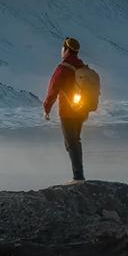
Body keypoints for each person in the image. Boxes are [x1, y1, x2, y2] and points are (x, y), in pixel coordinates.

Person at [42, 37, 99, 182]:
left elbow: (53, 90)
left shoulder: (63, 68)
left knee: (70, 142)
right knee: (76, 140)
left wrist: (47, 108)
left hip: (68, 110)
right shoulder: (82, 67)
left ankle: (78, 176)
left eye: (62, 49)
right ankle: (79, 174)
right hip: (82, 109)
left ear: (66, 50)